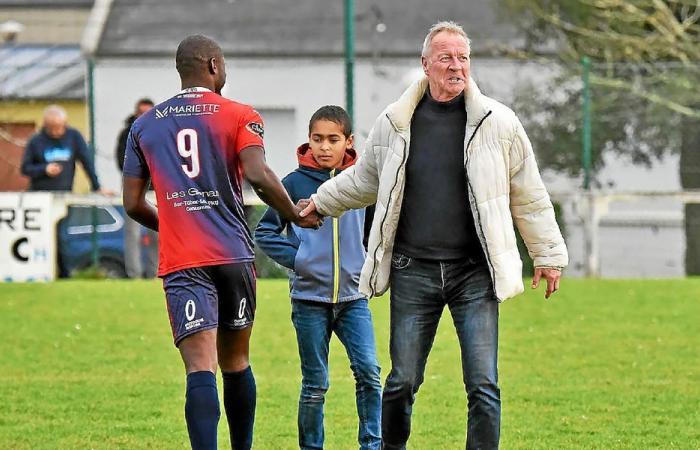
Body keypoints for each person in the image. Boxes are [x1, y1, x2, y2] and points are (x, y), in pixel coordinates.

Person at [300, 21, 568, 450]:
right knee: (402, 381)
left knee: (484, 384)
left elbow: (529, 193)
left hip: (474, 274)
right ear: (425, 64)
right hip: (413, 271)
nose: (456, 66)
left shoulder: (499, 123)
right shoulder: (395, 122)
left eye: (462, 57)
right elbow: (363, 179)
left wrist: (548, 254)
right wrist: (320, 200)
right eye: (445, 57)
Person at [121, 35, 321, 450]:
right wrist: (294, 213)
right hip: (232, 254)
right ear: (213, 65)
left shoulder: (143, 126)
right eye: (224, 64)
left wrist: (175, 223)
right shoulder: (239, 114)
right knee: (236, 362)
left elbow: (132, 203)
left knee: (200, 368)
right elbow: (258, 174)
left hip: (184, 260)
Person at [255, 106, 382, 450]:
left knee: (370, 374)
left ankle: (372, 444)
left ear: (349, 142)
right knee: (315, 384)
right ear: (308, 141)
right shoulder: (293, 183)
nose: (324, 147)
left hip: (355, 300)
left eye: (333, 139)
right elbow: (264, 232)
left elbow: (375, 232)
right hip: (309, 301)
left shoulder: (362, 183)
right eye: (317, 139)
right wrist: (299, 260)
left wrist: (368, 263)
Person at [21, 104, 109, 193]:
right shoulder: (36, 141)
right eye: (51, 128)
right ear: (45, 125)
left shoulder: (74, 137)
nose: (55, 132)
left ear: (65, 123)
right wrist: (44, 169)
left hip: (65, 192)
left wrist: (97, 186)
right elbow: (25, 168)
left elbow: (87, 162)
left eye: (59, 127)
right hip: (40, 193)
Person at [116, 98, 158, 278]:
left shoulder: (161, 132)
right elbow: (121, 160)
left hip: (156, 191)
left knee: (158, 233)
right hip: (134, 191)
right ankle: (134, 274)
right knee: (132, 235)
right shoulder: (127, 133)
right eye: (141, 112)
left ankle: (155, 273)